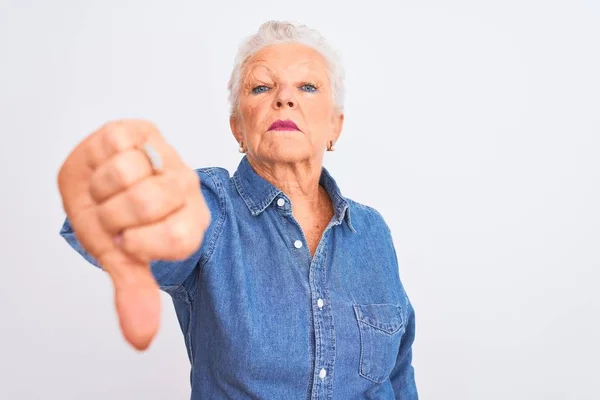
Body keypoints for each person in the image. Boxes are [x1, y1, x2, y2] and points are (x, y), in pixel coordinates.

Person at [57, 20, 418, 399]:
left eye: (307, 87)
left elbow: (397, 374)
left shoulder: (372, 231)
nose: (284, 98)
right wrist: (110, 194)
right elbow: (125, 229)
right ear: (238, 130)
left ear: (335, 127)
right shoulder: (210, 211)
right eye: (262, 87)